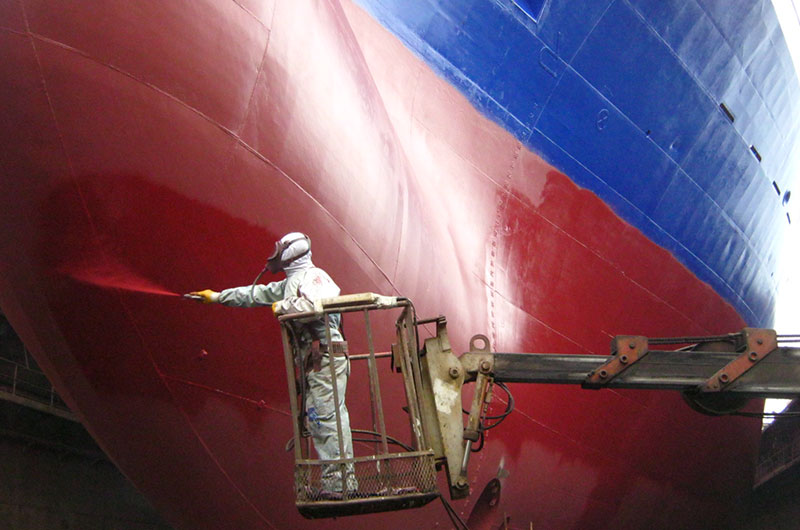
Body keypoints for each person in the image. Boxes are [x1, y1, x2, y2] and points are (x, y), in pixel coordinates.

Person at [189, 232, 357, 497]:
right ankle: (337, 482)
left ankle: (340, 485)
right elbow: (255, 294)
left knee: (326, 417)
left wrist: (284, 307)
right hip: (316, 362)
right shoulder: (291, 281)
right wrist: (218, 297)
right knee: (318, 419)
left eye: (279, 249)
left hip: (326, 358)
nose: (274, 254)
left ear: (291, 252)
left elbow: (318, 303)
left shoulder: (315, 276)